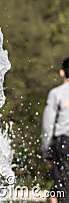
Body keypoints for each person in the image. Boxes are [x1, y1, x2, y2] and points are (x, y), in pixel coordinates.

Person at [42, 57, 69, 203]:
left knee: (62, 185)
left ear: (62, 73)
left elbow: (48, 125)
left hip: (64, 143)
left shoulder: (56, 93)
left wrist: (46, 148)